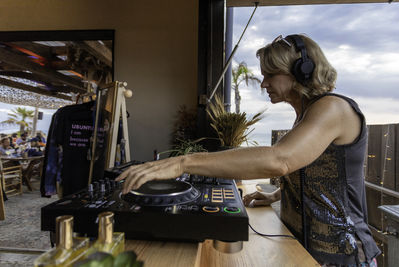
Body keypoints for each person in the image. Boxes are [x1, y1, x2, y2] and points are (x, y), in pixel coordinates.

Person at [116, 34, 380, 266]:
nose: (263, 83)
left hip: (344, 256)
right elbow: (320, 171)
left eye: (270, 75)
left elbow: (281, 159)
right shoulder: (306, 115)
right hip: (308, 250)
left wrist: (183, 163)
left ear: (302, 71)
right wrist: (278, 194)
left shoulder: (333, 107)